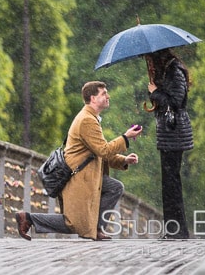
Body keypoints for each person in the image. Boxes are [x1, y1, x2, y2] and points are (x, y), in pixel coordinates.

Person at [15, 81, 143, 241]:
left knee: (115, 187)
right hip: (78, 177)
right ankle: (28, 218)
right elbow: (103, 150)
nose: (108, 96)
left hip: (87, 176)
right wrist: (125, 137)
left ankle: (96, 228)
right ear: (93, 98)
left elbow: (99, 151)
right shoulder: (87, 120)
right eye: (104, 93)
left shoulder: (91, 118)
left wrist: (124, 160)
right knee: (74, 224)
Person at [144, 48, 194, 239]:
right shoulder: (167, 71)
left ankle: (177, 230)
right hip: (168, 134)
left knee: (172, 183)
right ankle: (174, 230)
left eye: (150, 58)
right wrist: (156, 90)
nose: (149, 62)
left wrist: (156, 92)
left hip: (175, 134)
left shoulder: (174, 71)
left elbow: (176, 102)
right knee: (169, 183)